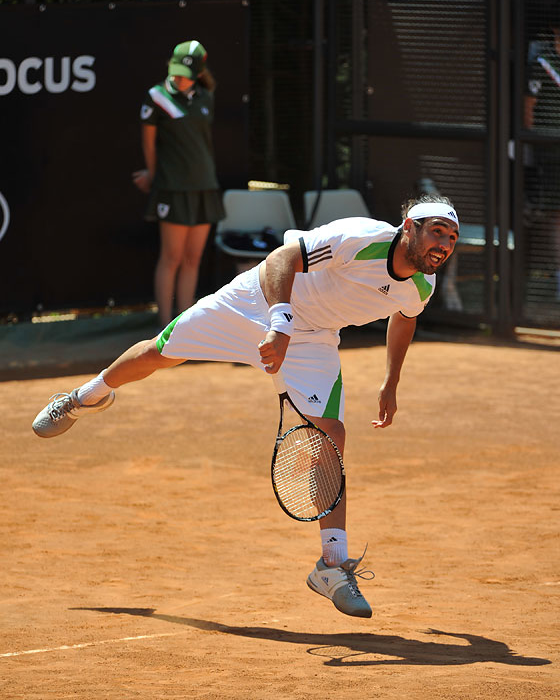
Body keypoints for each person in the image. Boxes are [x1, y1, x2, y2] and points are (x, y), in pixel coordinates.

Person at [32, 194, 460, 619]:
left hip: (313, 339)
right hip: (255, 301)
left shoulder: (422, 285)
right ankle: (83, 398)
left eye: (451, 238)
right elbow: (282, 259)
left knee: (330, 436)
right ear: (409, 227)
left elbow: (404, 317)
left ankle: (332, 565)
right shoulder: (360, 238)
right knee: (159, 353)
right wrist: (280, 324)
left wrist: (391, 381)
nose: (443, 244)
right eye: (437, 232)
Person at [132, 40, 225, 327]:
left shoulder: (206, 98)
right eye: (175, 72)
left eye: (186, 74)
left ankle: (184, 327)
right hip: (172, 189)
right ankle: (164, 328)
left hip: (205, 187)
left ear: (199, 73)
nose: (179, 78)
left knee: (192, 259)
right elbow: (149, 144)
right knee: (171, 257)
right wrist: (153, 174)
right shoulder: (156, 97)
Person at [524, 14, 560, 301]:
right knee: (556, 214)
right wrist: (533, 141)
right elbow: (529, 107)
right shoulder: (541, 60)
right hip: (550, 151)